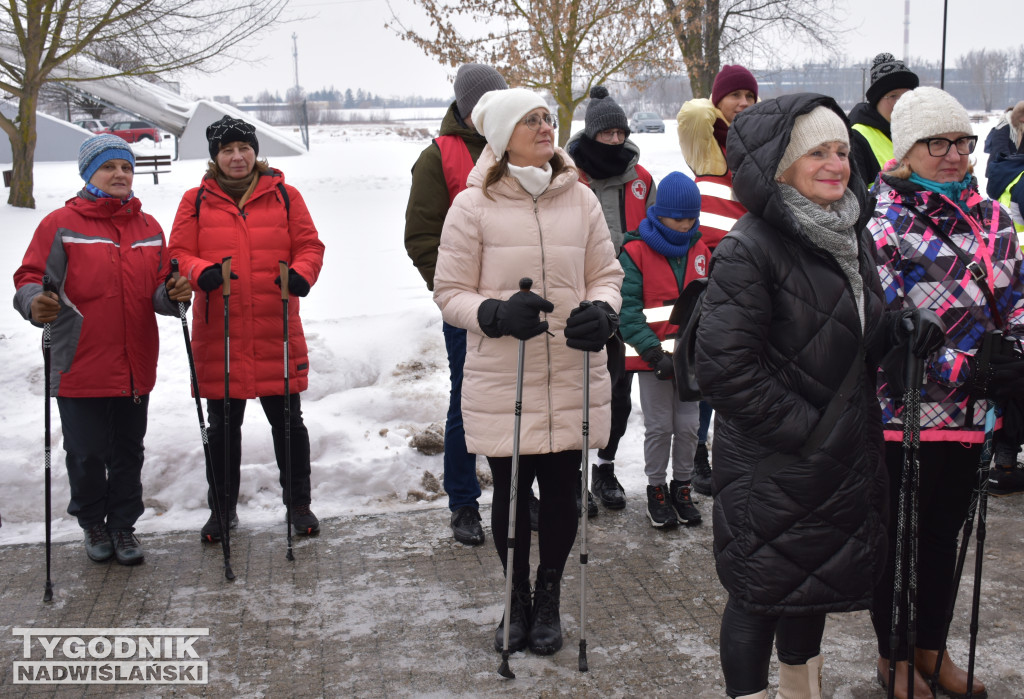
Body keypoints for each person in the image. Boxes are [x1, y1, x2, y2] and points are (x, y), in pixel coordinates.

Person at [695, 94, 936, 699]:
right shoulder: (750, 248)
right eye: (817, 153)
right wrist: (809, 430)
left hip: (836, 460)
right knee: (758, 597)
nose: (836, 164)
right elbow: (724, 370)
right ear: (780, 165)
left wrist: (902, 327)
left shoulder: (847, 234)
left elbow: (851, 335)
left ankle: (804, 692)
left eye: (839, 150)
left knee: (811, 588)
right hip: (776, 462)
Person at [433, 88, 623, 656]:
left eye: (547, 117)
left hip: (570, 368)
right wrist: (491, 313)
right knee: (513, 493)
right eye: (531, 120)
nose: (546, 126)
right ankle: (514, 597)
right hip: (504, 376)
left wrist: (604, 312)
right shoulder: (471, 206)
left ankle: (548, 595)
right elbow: (449, 293)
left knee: (564, 492)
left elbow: (607, 275)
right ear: (500, 136)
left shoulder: (581, 199)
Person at [867, 86, 1024, 698]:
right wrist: (964, 368)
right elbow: (889, 321)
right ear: (907, 149)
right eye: (938, 142)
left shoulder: (994, 218)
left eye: (961, 141)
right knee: (898, 540)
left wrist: (1012, 356)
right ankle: (894, 656)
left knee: (943, 537)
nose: (954, 154)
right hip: (903, 411)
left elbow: (1015, 300)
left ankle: (932, 649)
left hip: (971, 415)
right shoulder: (882, 222)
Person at [13, 134, 192, 566]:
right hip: (79, 359)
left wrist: (175, 295)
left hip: (134, 361)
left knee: (129, 450)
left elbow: (157, 291)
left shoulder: (149, 228)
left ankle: (124, 527)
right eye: (109, 167)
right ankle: (93, 523)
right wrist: (34, 302)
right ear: (89, 173)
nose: (120, 175)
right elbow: (29, 277)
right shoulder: (60, 224)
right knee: (88, 452)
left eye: (126, 168)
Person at [168, 116, 325, 543]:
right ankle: (222, 510)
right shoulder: (195, 200)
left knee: (290, 423)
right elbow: (178, 252)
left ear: (256, 152)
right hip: (220, 330)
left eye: (244, 149)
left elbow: (310, 245)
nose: (237, 157)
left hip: (276, 325)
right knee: (221, 428)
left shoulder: (286, 197)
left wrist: (301, 274)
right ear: (215, 157)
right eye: (227, 150)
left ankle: (298, 505)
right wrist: (202, 272)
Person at [404, 63, 509, 545]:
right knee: (467, 402)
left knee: (519, 401)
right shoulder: (437, 158)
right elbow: (421, 236)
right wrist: (451, 291)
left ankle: (517, 494)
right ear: (467, 110)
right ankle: (464, 503)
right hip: (467, 309)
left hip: (521, 306)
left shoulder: (520, 145)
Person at [566, 84, 657, 514]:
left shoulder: (642, 180)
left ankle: (605, 468)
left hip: (627, 300)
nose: (616, 141)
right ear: (591, 135)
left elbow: (654, 235)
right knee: (578, 394)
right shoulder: (568, 175)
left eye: (621, 133)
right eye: (607, 135)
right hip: (580, 300)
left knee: (619, 395)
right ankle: (570, 478)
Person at [676, 64, 759, 496]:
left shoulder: (760, 146)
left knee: (742, 375)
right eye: (734, 96)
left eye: (749, 97)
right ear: (717, 102)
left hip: (753, 276)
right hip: (712, 278)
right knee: (709, 377)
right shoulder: (706, 141)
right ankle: (697, 457)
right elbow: (691, 115)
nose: (742, 104)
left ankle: (736, 454)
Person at [618, 172, 708, 529]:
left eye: (691, 218)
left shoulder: (700, 251)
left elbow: (708, 306)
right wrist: (654, 354)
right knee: (659, 427)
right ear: (660, 214)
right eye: (678, 218)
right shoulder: (636, 252)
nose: (685, 225)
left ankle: (681, 487)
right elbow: (628, 310)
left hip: (689, 362)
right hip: (653, 360)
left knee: (688, 427)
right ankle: (656, 489)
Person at [849, 52, 920, 186]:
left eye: (907, 96)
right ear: (876, 101)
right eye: (893, 96)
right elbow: (858, 198)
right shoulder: (857, 138)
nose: (901, 102)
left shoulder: (921, 135)